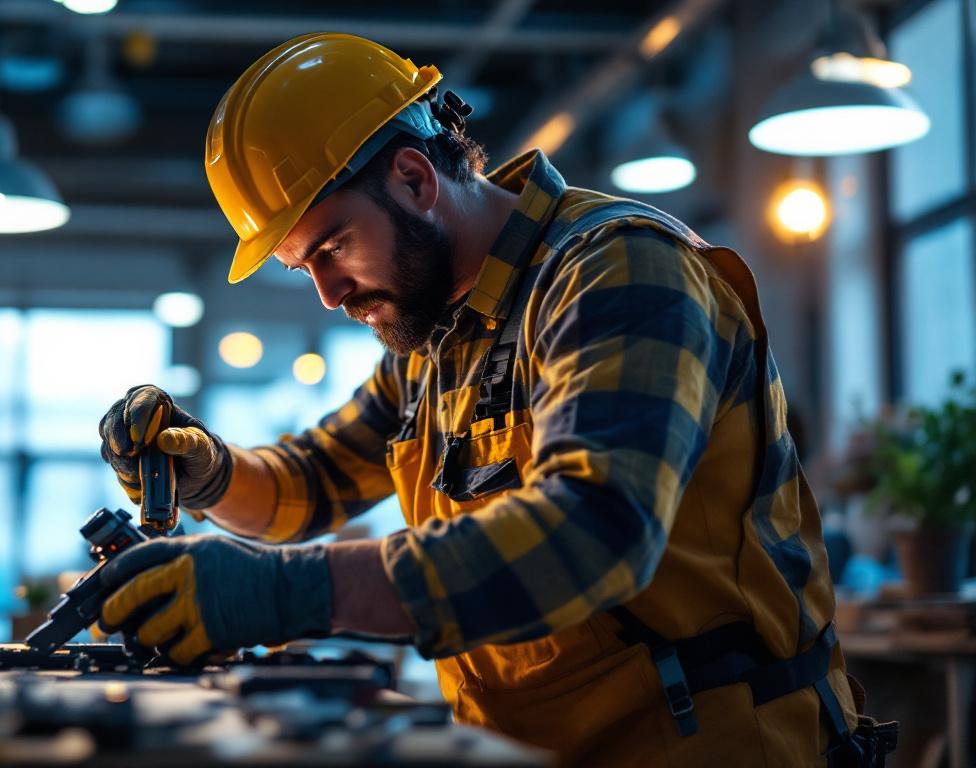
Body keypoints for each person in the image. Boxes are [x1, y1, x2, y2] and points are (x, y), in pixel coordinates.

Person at [95, 33, 869, 766]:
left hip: (706, 748)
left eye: (331, 247)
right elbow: (312, 483)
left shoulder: (616, 273)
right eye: (306, 268)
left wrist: (292, 590)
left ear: (413, 179)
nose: (329, 295)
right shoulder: (437, 338)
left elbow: (595, 534)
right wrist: (211, 475)